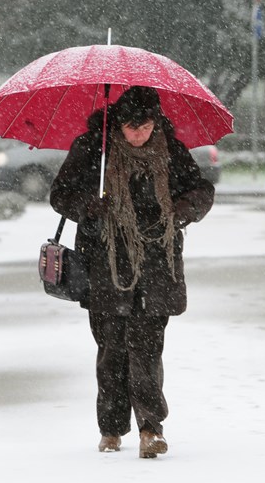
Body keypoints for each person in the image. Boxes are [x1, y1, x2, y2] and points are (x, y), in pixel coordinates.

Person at [49, 86, 214, 458]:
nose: (138, 135)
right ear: (117, 124)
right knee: (111, 349)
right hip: (104, 263)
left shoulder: (170, 150)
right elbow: (60, 194)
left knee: (147, 348)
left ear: (156, 122)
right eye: (130, 127)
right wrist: (89, 206)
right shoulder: (94, 148)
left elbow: (202, 189)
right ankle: (110, 428)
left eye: (145, 127)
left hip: (157, 263)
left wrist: (182, 208)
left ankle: (150, 428)